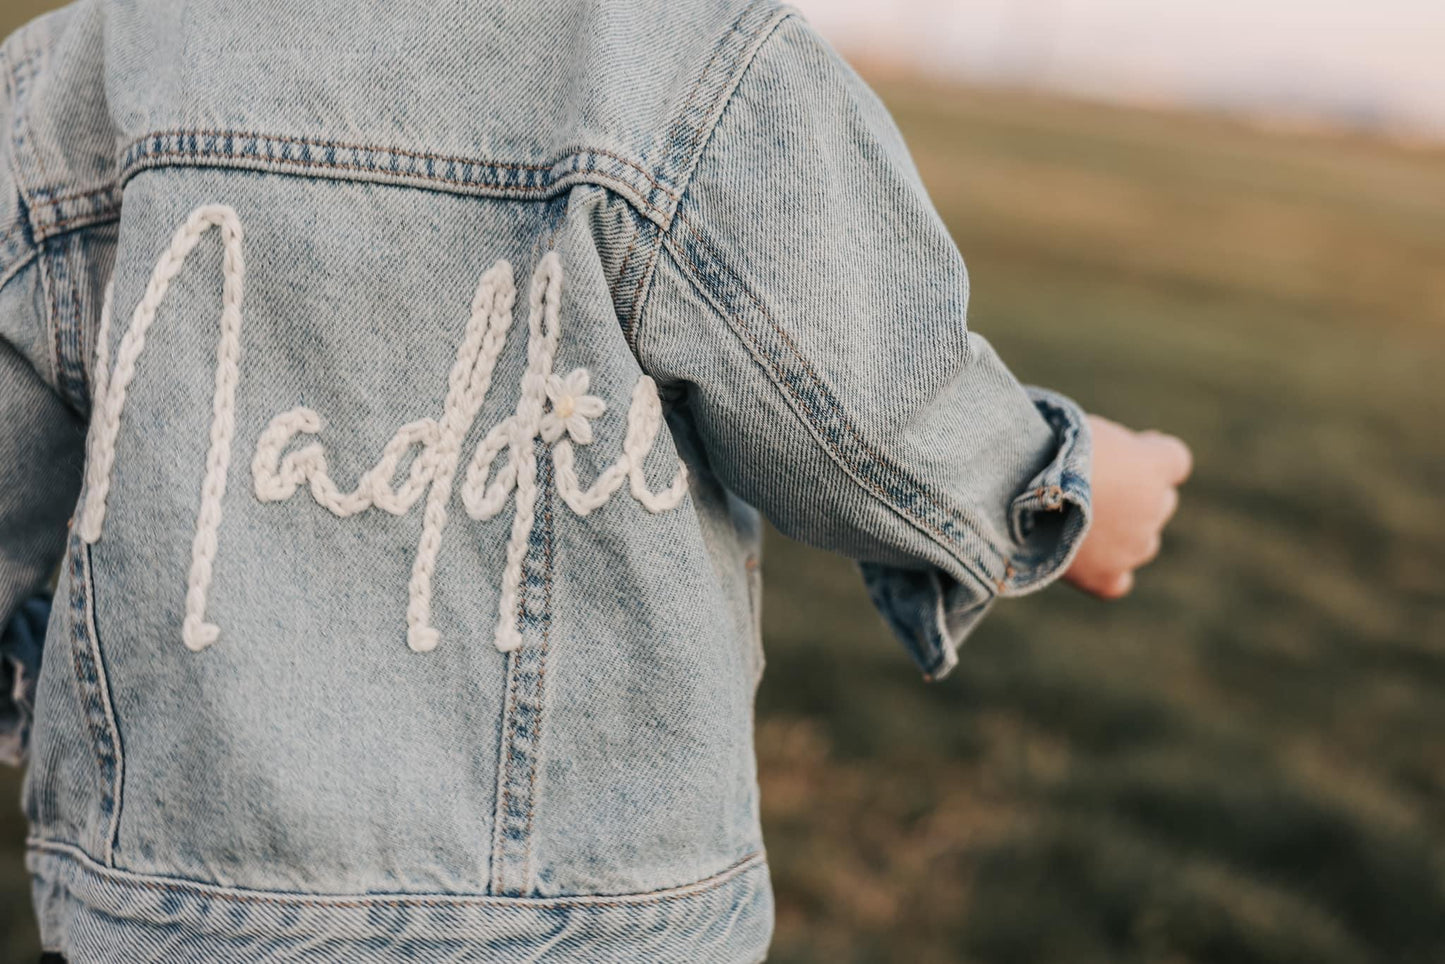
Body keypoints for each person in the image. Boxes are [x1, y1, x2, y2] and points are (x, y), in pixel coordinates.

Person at [0, 1, 1190, 960]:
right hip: (597, 913)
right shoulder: (684, 59)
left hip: (171, 904)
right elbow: (873, 410)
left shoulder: (89, 71)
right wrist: (1062, 485)